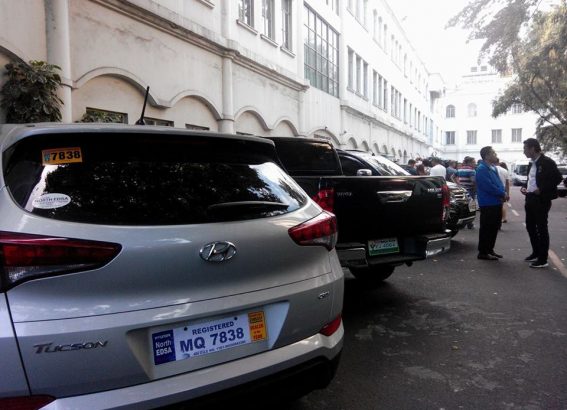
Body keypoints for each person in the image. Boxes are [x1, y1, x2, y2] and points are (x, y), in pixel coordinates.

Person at [520, 138, 563, 268]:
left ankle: (543, 259)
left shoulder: (547, 162)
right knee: (530, 227)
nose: (524, 151)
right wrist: (524, 187)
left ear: (532, 148)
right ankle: (536, 252)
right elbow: (531, 179)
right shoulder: (531, 163)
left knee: (541, 228)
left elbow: (558, 178)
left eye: (525, 149)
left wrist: (542, 189)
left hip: (541, 200)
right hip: (530, 197)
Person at [476, 146, 507, 260]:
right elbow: (488, 186)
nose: (495, 155)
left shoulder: (492, 167)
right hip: (488, 203)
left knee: (494, 228)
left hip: (495, 201)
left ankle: (490, 250)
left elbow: (498, 183)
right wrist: (502, 193)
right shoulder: (482, 169)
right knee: (487, 228)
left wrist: (502, 193)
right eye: (493, 153)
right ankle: (483, 252)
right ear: (487, 156)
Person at [456, 156, 477, 228]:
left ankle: (462, 222)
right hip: (470, 190)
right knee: (471, 207)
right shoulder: (472, 171)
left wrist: (458, 184)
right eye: (474, 162)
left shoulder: (460, 170)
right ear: (469, 163)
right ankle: (470, 223)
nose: (475, 163)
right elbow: (473, 181)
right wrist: (476, 187)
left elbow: (452, 176)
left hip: (462, 190)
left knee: (464, 207)